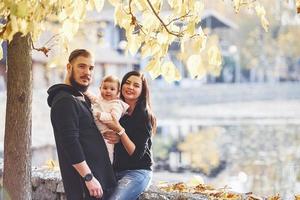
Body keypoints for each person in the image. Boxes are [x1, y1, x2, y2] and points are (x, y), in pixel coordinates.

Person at [47, 49, 116, 200]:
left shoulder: (78, 98)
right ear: (69, 67)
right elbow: (70, 143)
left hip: (97, 185)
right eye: (82, 66)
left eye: (91, 68)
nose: (87, 72)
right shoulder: (65, 101)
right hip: (87, 188)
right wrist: (89, 178)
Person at [100, 71, 156, 200]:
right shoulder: (116, 111)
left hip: (137, 172)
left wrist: (120, 131)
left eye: (136, 85)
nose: (130, 87)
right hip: (114, 171)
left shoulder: (144, 116)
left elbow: (136, 155)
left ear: (142, 91)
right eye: (127, 83)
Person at [85, 75, 129, 163]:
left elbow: (114, 118)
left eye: (112, 89)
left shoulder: (116, 104)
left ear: (118, 92)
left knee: (107, 154)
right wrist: (85, 91)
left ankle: (108, 167)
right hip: (96, 132)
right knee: (94, 154)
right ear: (100, 88)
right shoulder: (100, 99)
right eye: (105, 88)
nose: (108, 91)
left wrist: (100, 115)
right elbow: (92, 97)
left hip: (107, 134)